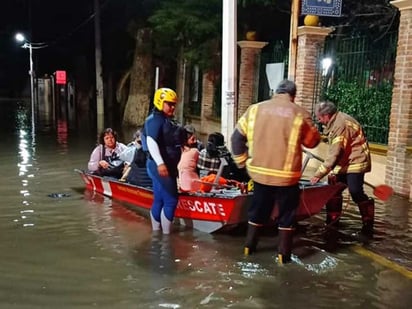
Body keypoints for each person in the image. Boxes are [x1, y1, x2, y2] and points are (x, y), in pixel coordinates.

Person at [231, 79, 321, 264]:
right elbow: (312, 142)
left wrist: (243, 165)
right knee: (286, 217)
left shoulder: (254, 110)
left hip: (259, 175)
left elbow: (236, 139)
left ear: (275, 92)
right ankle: (283, 257)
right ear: (292, 96)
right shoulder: (300, 114)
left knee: (257, 212)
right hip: (287, 179)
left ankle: (249, 249)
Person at [310, 100, 373, 237]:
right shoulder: (335, 122)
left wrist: (318, 174)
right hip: (344, 162)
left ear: (326, 115)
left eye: (319, 117)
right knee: (333, 189)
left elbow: (335, 152)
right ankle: (332, 221)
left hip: (356, 161)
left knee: (356, 191)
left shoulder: (340, 124)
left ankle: (368, 223)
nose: (319, 121)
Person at [142, 87, 185, 234]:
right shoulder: (154, 120)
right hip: (159, 166)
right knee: (171, 200)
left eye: (174, 104)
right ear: (160, 102)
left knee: (159, 199)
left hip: (164, 165)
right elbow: (151, 141)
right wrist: (160, 163)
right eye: (169, 104)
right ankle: (166, 237)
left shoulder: (164, 120)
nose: (173, 107)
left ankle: (156, 233)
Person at [177, 126, 201, 192]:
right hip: (186, 185)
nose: (195, 141)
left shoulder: (194, 151)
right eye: (192, 139)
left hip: (188, 184)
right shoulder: (192, 151)